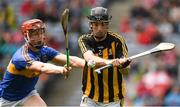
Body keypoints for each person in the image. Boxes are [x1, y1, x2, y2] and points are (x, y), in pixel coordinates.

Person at [0, 19, 85, 106]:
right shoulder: (21, 57)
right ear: (26, 36)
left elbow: (71, 60)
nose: (39, 36)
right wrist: (61, 69)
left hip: (27, 95)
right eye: (35, 34)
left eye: (41, 32)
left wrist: (89, 64)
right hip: (6, 99)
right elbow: (42, 67)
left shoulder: (45, 50)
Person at [78, 7, 131, 107]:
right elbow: (89, 57)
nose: (99, 28)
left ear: (107, 25)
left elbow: (126, 71)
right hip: (90, 98)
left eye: (103, 24)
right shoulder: (84, 39)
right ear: (91, 25)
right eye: (96, 24)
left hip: (114, 100)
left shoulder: (117, 40)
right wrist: (109, 62)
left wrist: (123, 65)